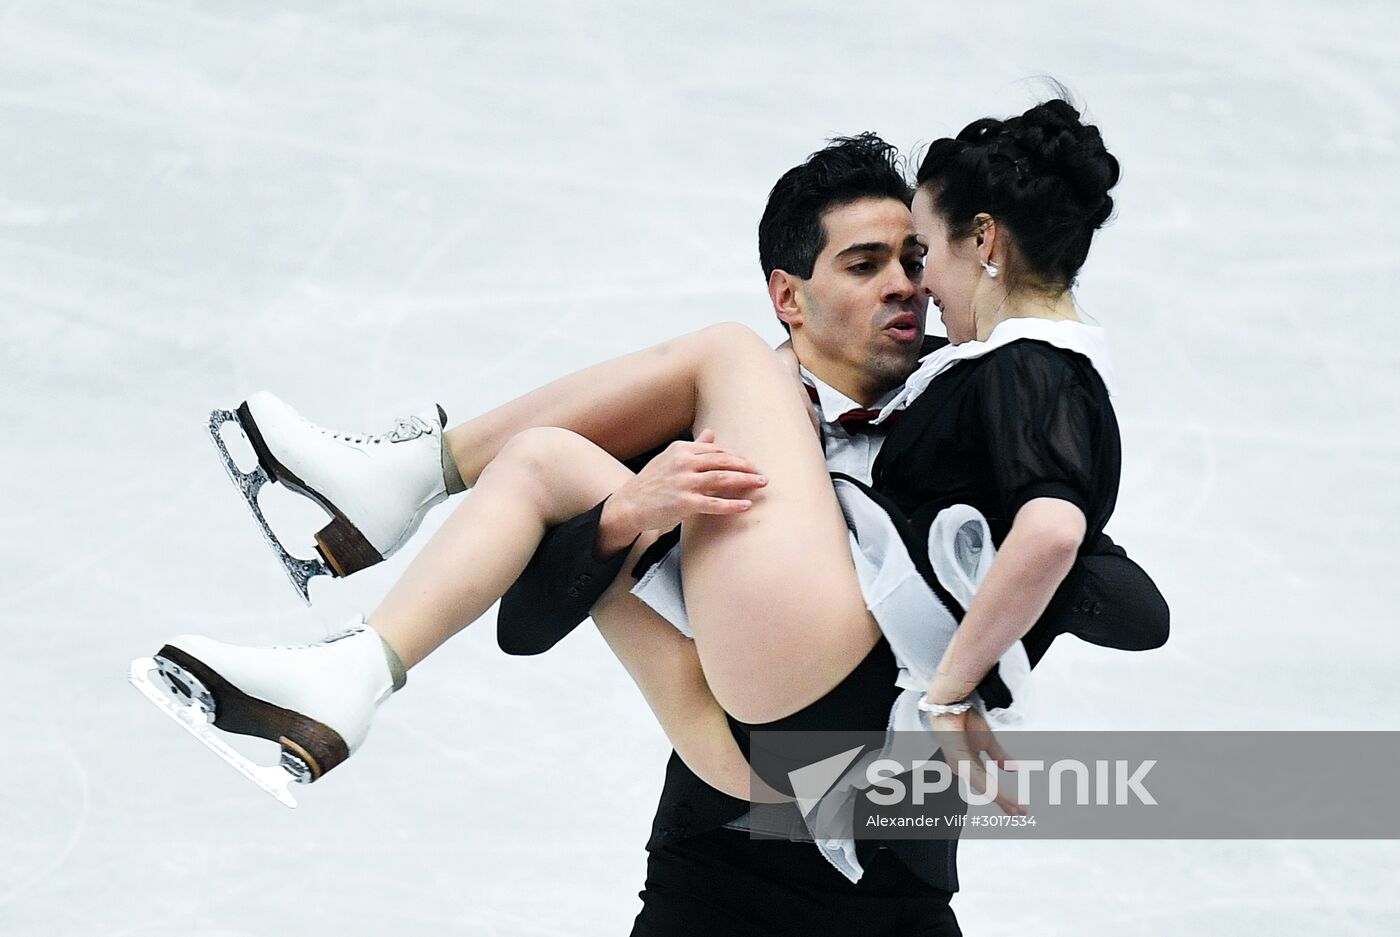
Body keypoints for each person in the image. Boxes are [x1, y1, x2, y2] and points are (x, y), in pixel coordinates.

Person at [136, 109, 1166, 934]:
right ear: (791, 296)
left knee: (700, 361)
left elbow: (1126, 601)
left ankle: (401, 484)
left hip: (880, 868)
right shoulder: (698, 436)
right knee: (550, 462)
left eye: (911, 255)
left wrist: (989, 599)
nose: (904, 284)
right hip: (719, 833)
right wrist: (622, 516)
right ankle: (345, 675)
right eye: (863, 265)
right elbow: (527, 618)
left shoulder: (964, 416)